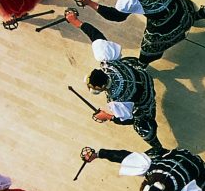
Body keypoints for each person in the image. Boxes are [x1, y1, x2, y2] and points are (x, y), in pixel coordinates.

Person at [64, 9, 165, 154]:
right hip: (142, 76)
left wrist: (108, 116)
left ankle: (157, 146)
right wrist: (76, 22)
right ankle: (144, 65)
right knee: (127, 61)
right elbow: (96, 36)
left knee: (141, 126)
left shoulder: (116, 99)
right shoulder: (108, 63)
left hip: (146, 101)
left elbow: (127, 119)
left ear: (102, 86)